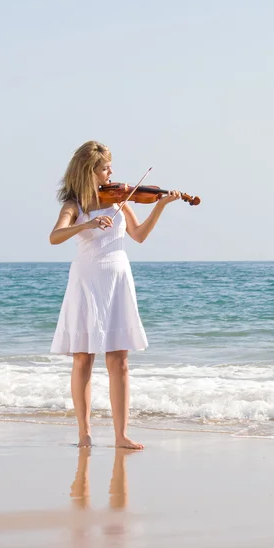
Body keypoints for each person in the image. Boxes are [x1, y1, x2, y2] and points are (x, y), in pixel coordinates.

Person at [49, 141, 180, 449]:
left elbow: (139, 236)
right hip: (86, 280)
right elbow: (54, 237)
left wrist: (159, 206)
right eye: (106, 167)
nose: (112, 172)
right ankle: (84, 434)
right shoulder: (74, 205)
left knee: (119, 360)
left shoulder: (122, 200)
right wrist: (91, 222)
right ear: (89, 171)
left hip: (118, 280)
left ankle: (121, 436)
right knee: (83, 359)